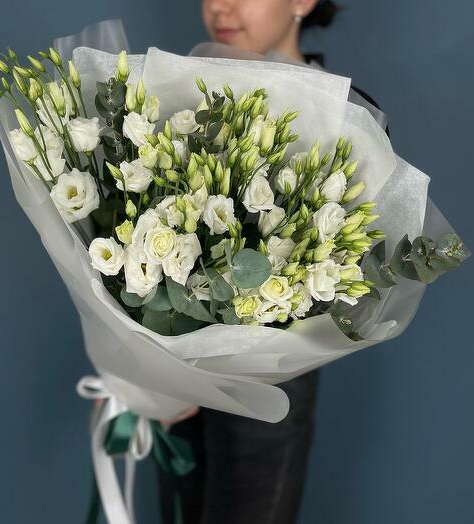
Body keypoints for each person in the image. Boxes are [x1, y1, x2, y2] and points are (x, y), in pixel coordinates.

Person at [157, 2, 369, 523]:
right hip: (177, 388)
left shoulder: (349, 116)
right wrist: (136, 372)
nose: (219, 7)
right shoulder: (190, 98)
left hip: (270, 393)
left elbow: (353, 276)